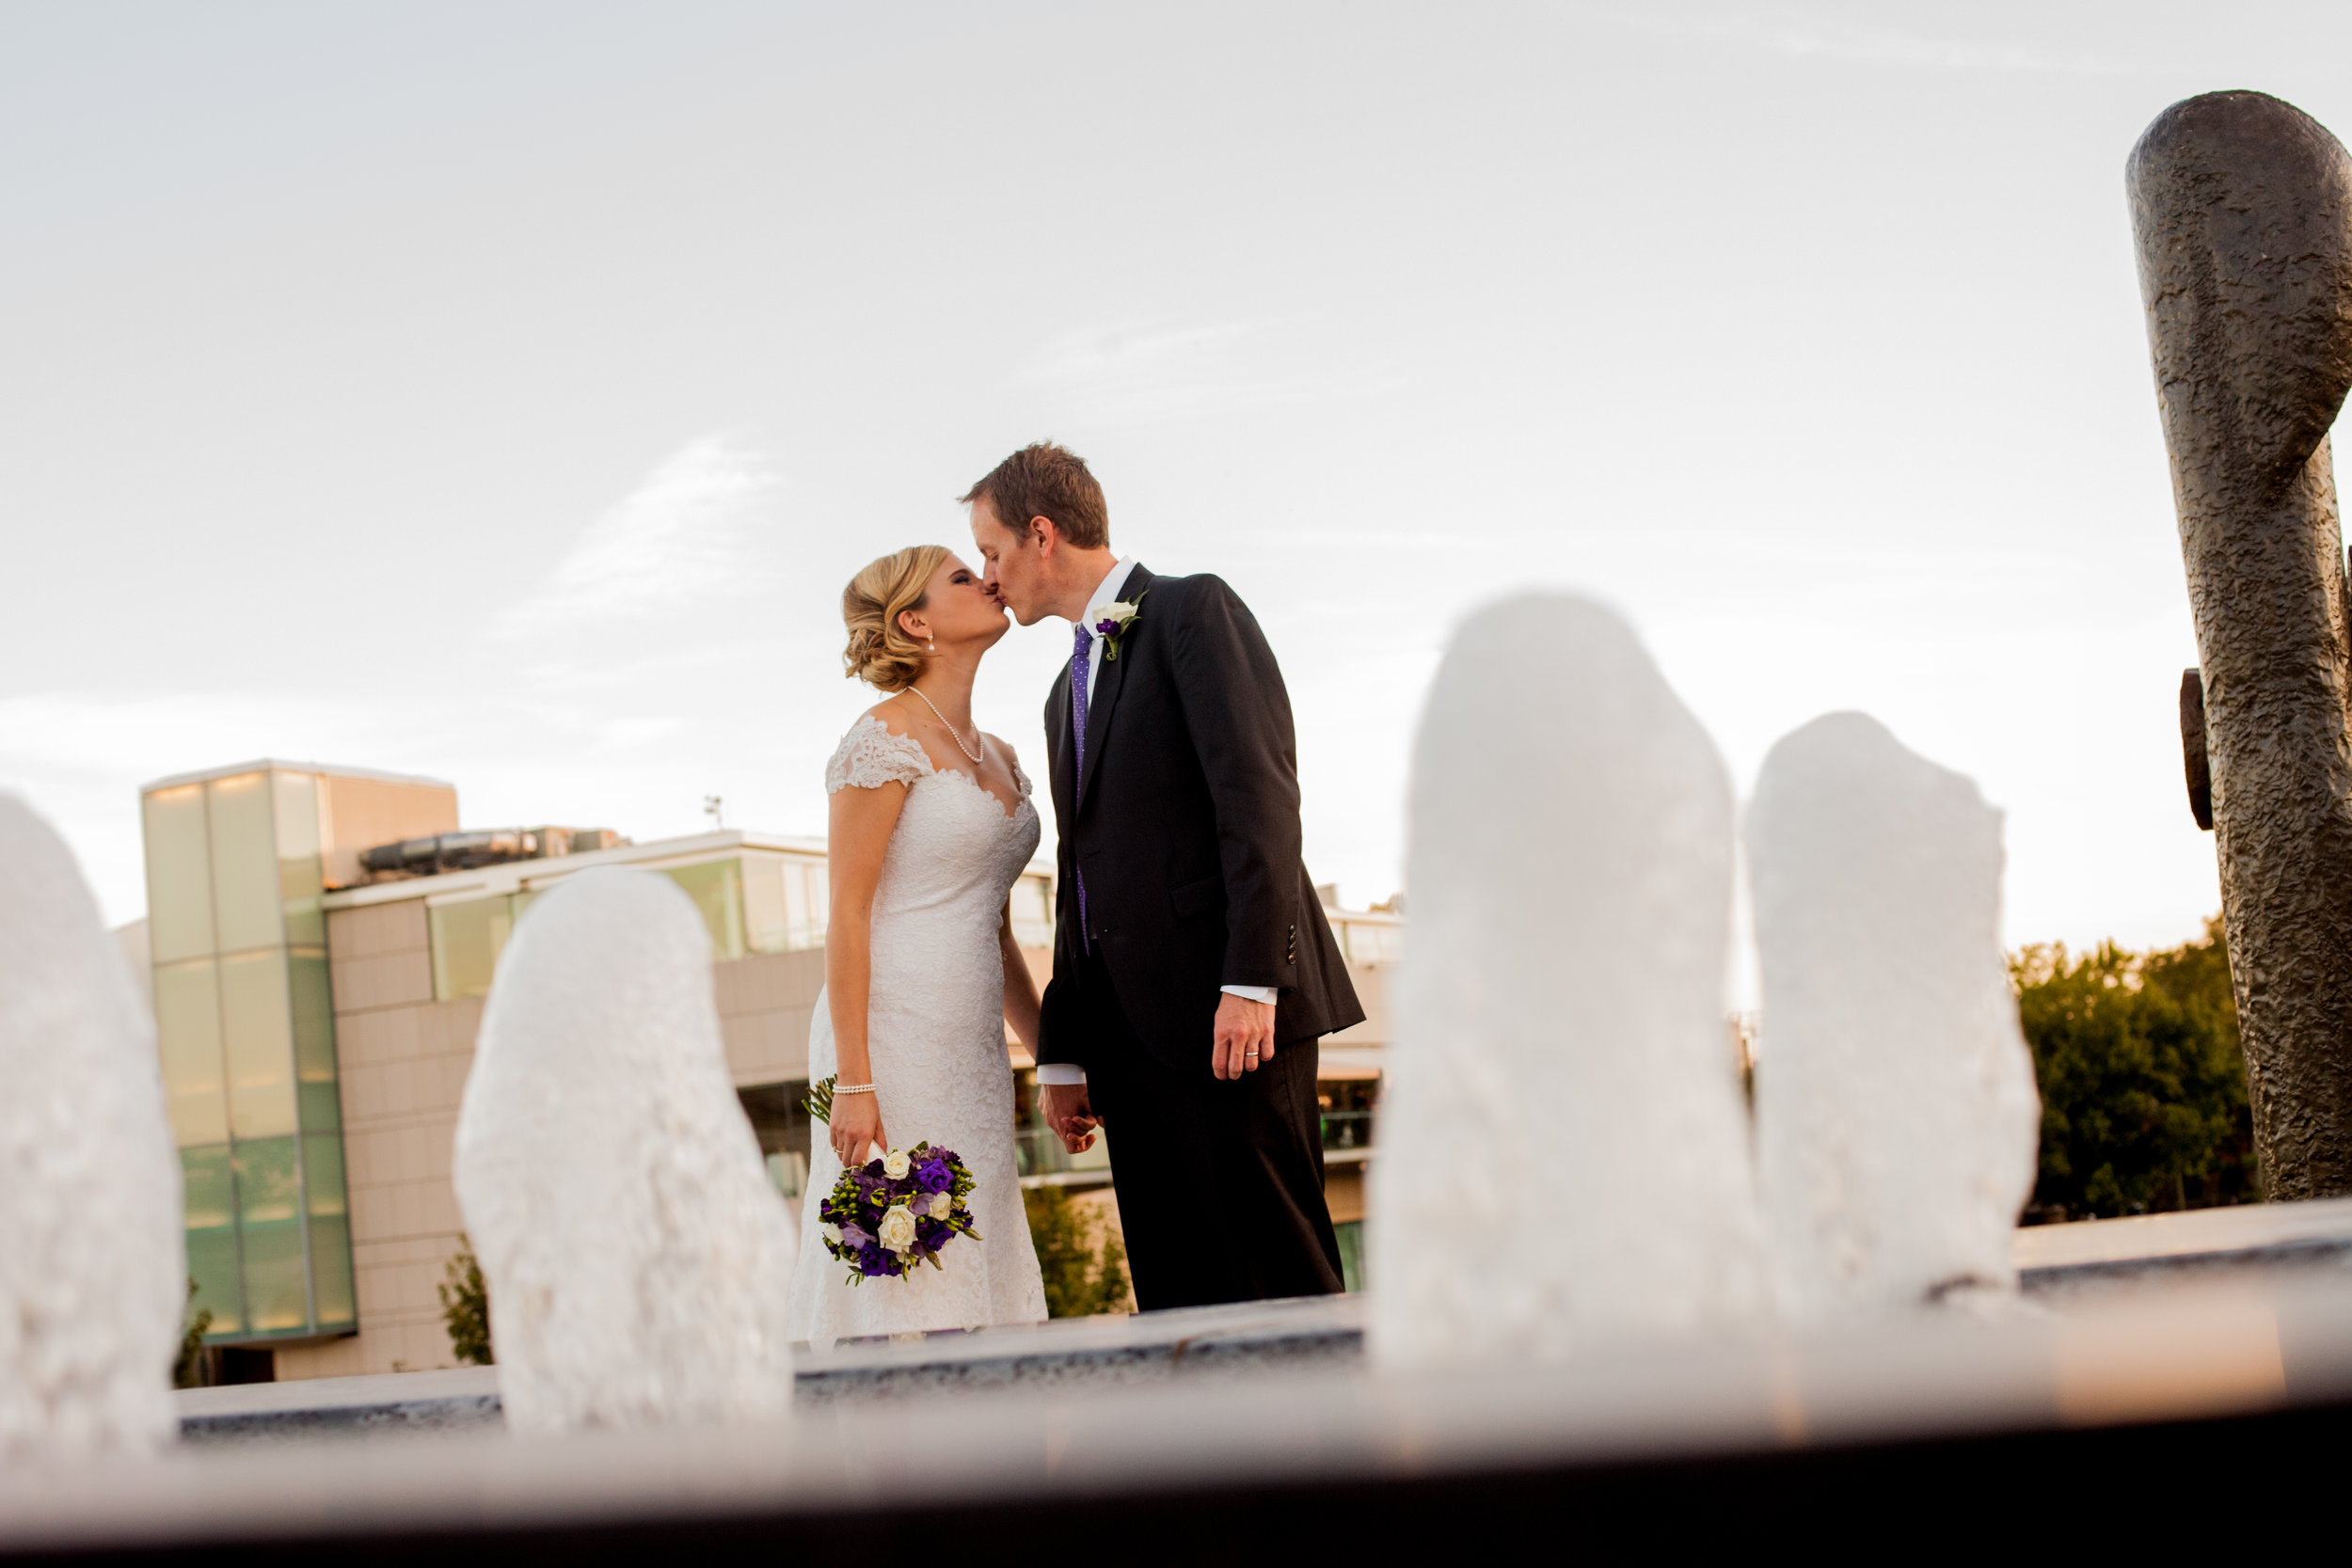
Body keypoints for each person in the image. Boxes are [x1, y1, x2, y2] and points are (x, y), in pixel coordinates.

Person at [967, 442, 1363, 1308]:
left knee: (1278, 1274)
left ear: (1042, 534)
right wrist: (1065, 1052)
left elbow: (1259, 798)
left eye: (991, 551)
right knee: (1178, 1293)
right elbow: (1083, 878)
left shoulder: (1192, 610)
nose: (988, 576)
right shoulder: (1055, 697)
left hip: (1233, 1022)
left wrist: (1253, 981)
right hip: (1129, 1047)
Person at [783, 545, 1048, 1347]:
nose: (988, 579)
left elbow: (993, 924)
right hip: (887, 1035)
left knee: (977, 1244)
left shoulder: (999, 754)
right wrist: (855, 1080)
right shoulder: (881, 738)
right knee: (903, 1268)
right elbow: (849, 914)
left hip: (970, 1045)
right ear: (915, 621)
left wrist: (1055, 1055)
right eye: (964, 577)